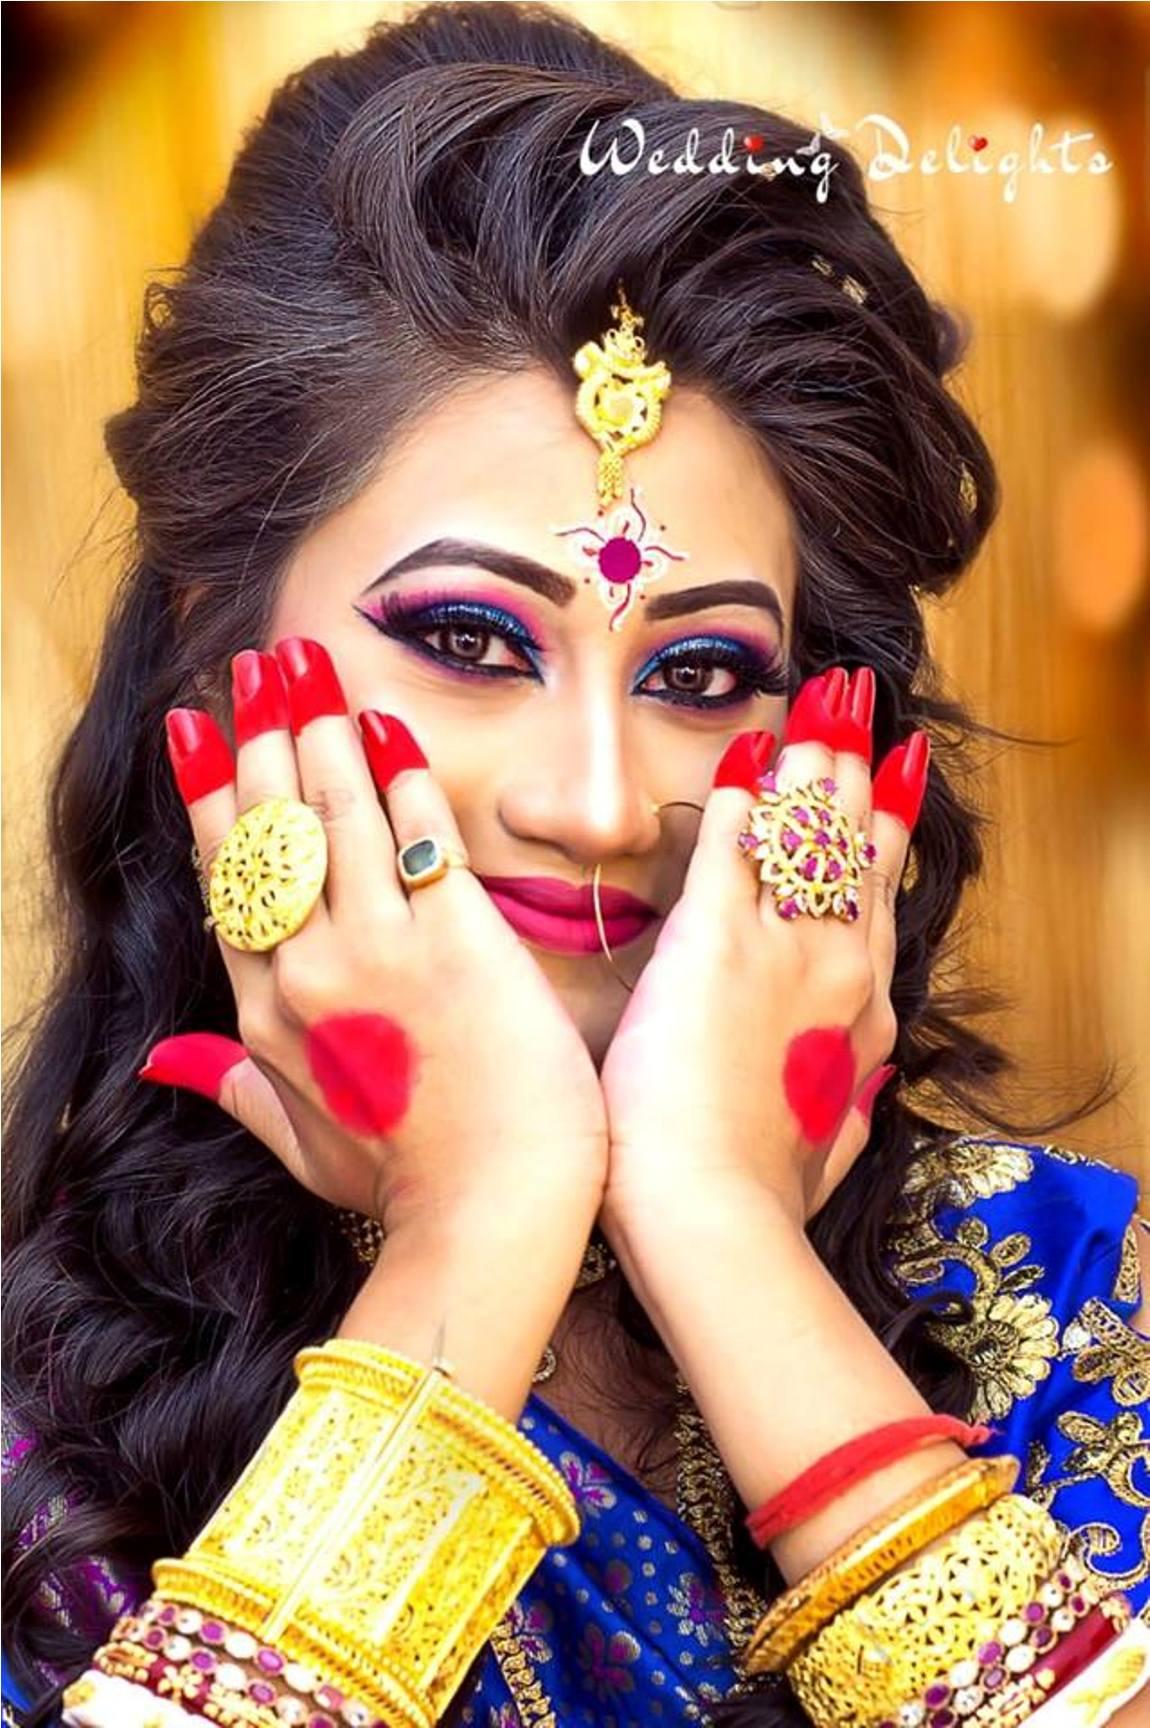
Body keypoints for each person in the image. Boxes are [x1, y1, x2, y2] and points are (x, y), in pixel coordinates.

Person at [3, 5, 1147, 1727]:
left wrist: (720, 1227)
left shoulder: (1062, 1303)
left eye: (701, 674)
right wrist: (474, 1233)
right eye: (468, 637)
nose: (601, 804)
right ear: (208, 653)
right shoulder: (34, 1422)